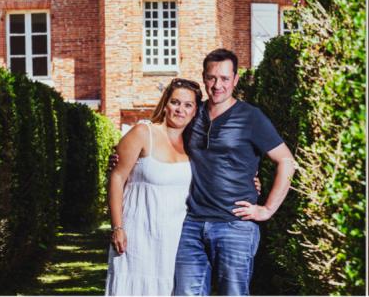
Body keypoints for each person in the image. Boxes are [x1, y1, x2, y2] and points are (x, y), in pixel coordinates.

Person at [173, 48, 296, 296]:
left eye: (225, 79)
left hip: (235, 226)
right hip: (191, 225)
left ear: (235, 80)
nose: (218, 85)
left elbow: (286, 161)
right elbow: (164, 141)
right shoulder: (193, 114)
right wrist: (124, 157)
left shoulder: (251, 117)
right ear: (204, 78)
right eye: (212, 78)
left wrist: (267, 209)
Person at [105, 78, 201, 295]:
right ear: (165, 104)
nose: (180, 110)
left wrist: (251, 183)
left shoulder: (195, 145)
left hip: (176, 239)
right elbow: (117, 178)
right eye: (176, 102)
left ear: (195, 111)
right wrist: (117, 227)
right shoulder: (143, 132)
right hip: (138, 234)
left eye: (188, 105)